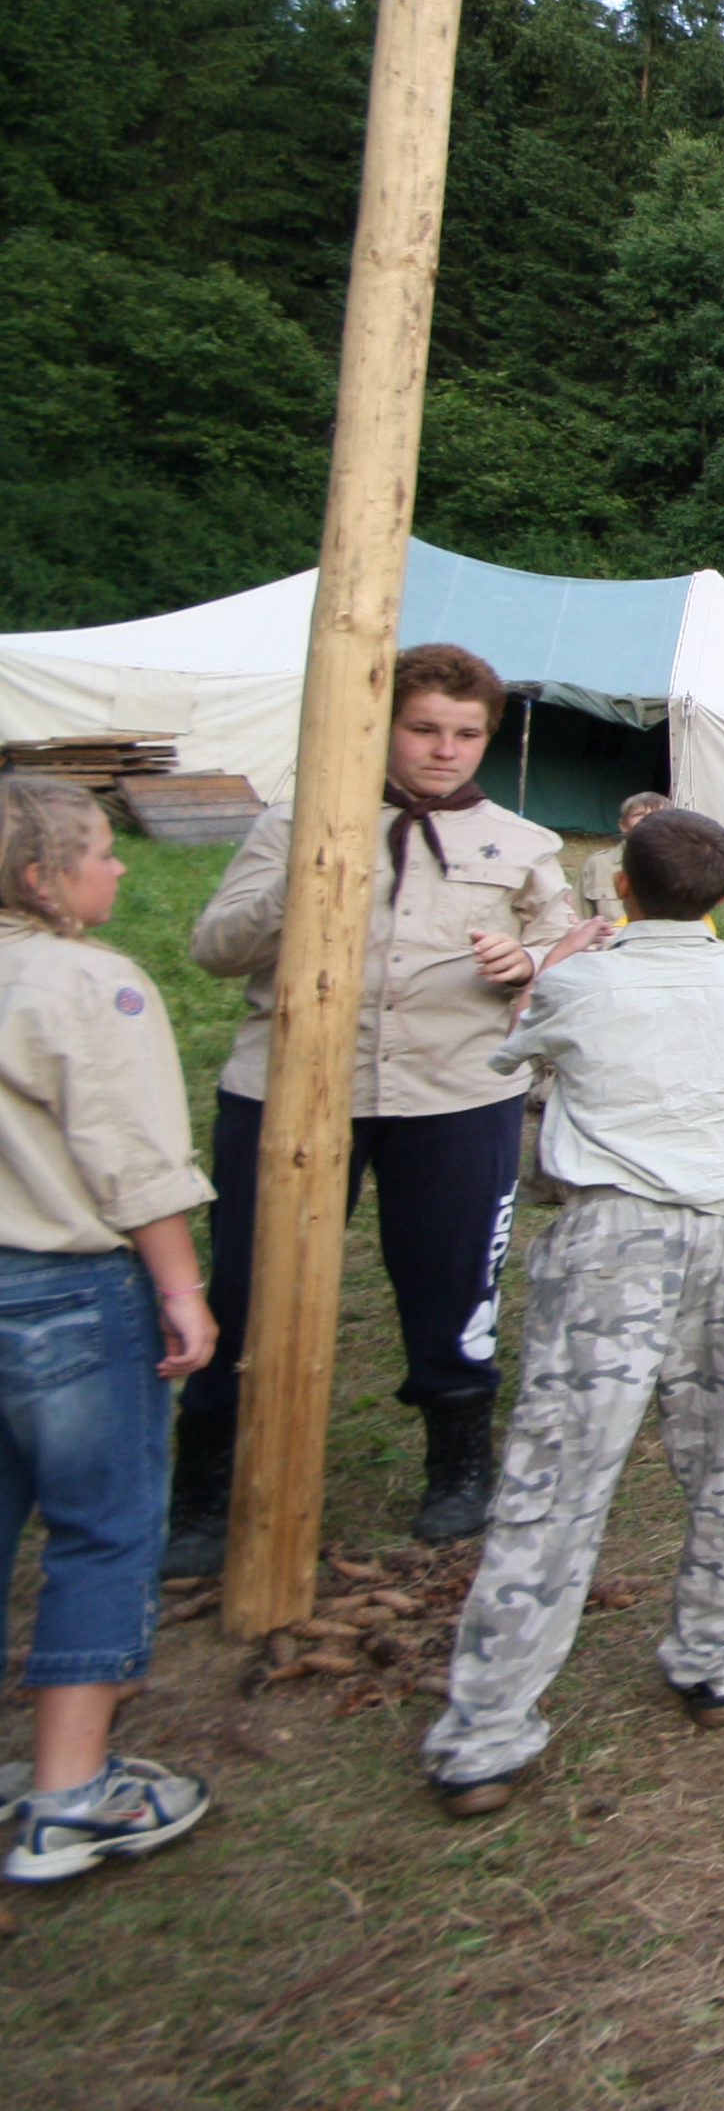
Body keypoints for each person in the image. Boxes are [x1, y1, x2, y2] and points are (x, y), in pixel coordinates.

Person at [170, 641, 578, 1573]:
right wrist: (307, 869)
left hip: (454, 1092)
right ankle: (207, 1482)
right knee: (248, 1284)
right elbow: (214, 948)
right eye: (424, 729)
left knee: (449, 1282)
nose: (445, 750)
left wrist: (529, 964)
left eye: (466, 734)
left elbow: (567, 956)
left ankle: (457, 1459)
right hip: (288, 1093)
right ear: (382, 726)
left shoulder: (522, 846)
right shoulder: (295, 823)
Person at [418, 806, 724, 1818]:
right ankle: (717, 1660)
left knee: (560, 1469)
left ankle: (487, 1733)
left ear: (619, 886)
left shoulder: (582, 977)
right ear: (722, 898)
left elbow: (512, 1052)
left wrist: (552, 966)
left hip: (618, 1235)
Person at [0, 778, 220, 1883]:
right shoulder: (88, 983)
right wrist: (180, 1289)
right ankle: (69, 1795)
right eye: (99, 849)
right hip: (62, 1291)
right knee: (101, 1524)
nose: (120, 864)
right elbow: (132, 1159)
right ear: (42, 877)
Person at [576, 790, 671, 931]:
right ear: (623, 825)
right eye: (639, 815)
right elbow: (579, 918)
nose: (648, 820)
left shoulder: (681, 864)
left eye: (658, 815)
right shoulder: (598, 863)